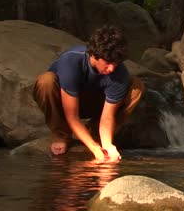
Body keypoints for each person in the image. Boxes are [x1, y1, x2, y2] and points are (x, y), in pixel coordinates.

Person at [33, 25, 144, 161]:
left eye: (116, 63)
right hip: (67, 101)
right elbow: (72, 116)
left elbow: (108, 117)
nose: (111, 68)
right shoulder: (71, 61)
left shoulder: (120, 73)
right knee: (46, 81)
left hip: (97, 103)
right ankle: (61, 134)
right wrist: (94, 148)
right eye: (107, 62)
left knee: (137, 86)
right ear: (94, 54)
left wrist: (107, 145)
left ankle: (95, 133)